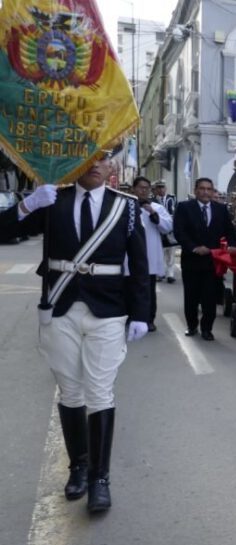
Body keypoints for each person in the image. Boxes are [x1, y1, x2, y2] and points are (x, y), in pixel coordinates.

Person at [0, 149, 150, 513]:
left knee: (100, 391)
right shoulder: (54, 200)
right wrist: (26, 206)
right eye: (88, 159)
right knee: (70, 391)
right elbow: (5, 232)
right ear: (75, 165)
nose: (96, 166)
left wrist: (141, 313)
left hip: (108, 310)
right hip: (61, 306)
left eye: (103, 160)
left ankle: (100, 478)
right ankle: (78, 468)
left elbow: (139, 265)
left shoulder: (126, 207)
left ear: (111, 166)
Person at [172, 177, 236, 341]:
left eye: (209, 189)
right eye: (202, 188)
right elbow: (179, 232)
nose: (206, 192)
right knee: (191, 297)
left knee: (210, 298)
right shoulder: (184, 207)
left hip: (212, 262)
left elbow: (230, 231)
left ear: (213, 191)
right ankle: (192, 326)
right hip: (191, 260)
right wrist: (194, 247)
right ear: (195, 190)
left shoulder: (221, 209)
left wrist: (232, 244)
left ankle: (207, 328)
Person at [131, 177, 173, 331]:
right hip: (129, 256)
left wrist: (152, 212)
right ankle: (131, 317)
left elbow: (167, 226)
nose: (144, 190)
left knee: (148, 290)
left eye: (147, 188)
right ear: (133, 189)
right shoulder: (126, 205)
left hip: (149, 254)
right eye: (141, 187)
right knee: (130, 289)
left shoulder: (156, 207)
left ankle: (149, 319)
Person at [153, 180, 178, 283]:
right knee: (160, 252)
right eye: (159, 187)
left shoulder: (172, 199)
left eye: (162, 187)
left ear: (165, 188)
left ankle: (170, 274)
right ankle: (160, 273)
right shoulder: (153, 200)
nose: (161, 189)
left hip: (170, 230)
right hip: (159, 230)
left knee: (171, 253)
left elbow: (175, 213)